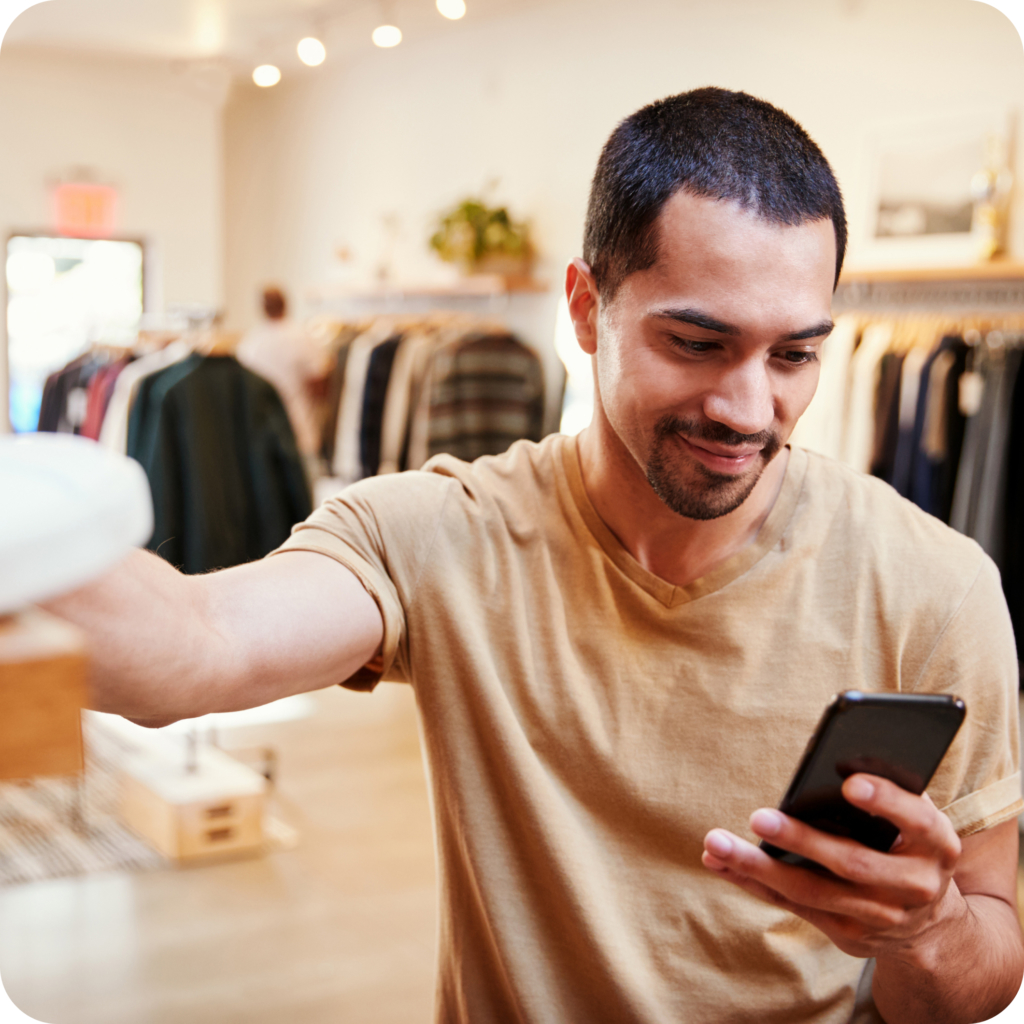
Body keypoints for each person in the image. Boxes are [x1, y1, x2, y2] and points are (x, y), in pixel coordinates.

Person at [47, 88, 1022, 1023]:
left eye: (793, 355)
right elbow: (193, 645)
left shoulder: (933, 586)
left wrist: (923, 930)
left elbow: (974, 972)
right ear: (586, 309)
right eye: (695, 342)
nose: (747, 408)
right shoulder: (445, 531)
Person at [236, 284, 330, 465]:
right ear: (286, 304)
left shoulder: (250, 343)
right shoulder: (303, 338)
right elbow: (320, 388)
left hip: (262, 432)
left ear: (262, 307)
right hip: (300, 429)